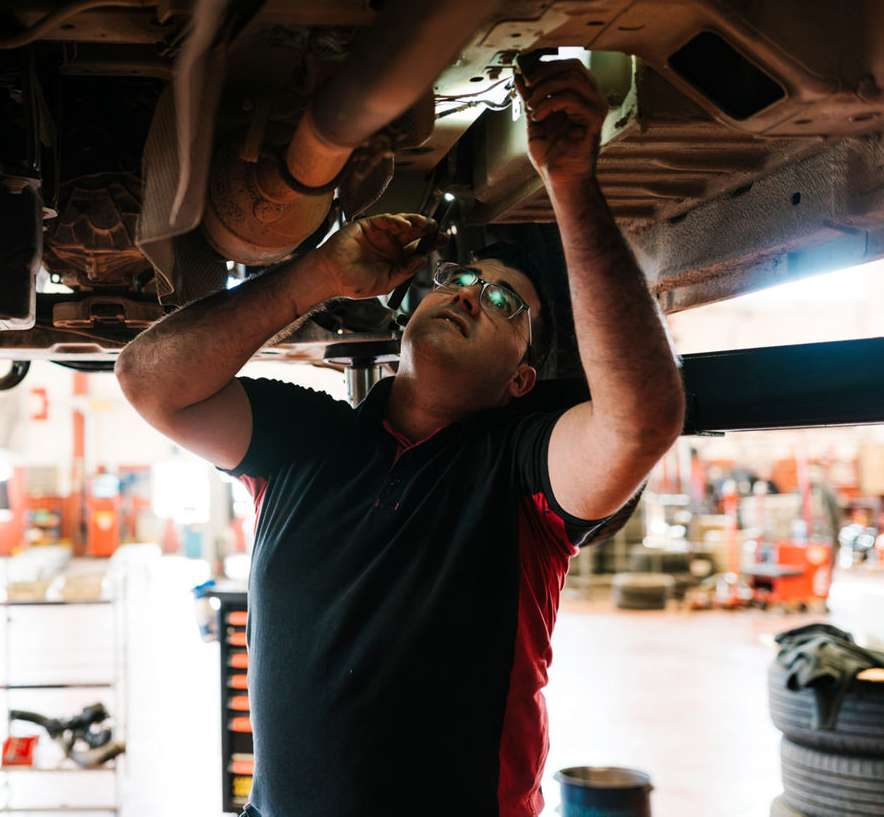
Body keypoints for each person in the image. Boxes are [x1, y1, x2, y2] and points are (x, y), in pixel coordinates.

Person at [115, 59, 685, 816]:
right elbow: (149, 379)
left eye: (504, 302)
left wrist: (573, 186)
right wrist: (318, 273)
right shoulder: (306, 441)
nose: (472, 296)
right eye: (464, 281)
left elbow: (638, 422)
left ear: (521, 381)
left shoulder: (519, 477)